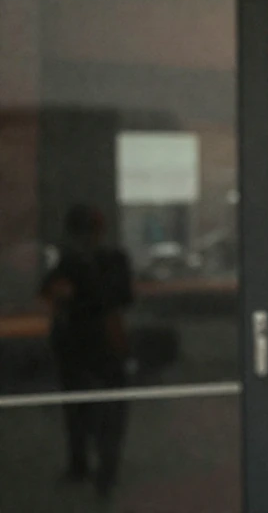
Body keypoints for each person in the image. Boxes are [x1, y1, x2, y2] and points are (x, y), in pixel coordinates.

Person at [40, 203, 133, 499]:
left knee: (91, 408)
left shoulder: (90, 262)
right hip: (88, 343)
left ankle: (94, 466)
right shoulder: (85, 261)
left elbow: (115, 298)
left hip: (87, 342)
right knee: (94, 409)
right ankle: (95, 466)